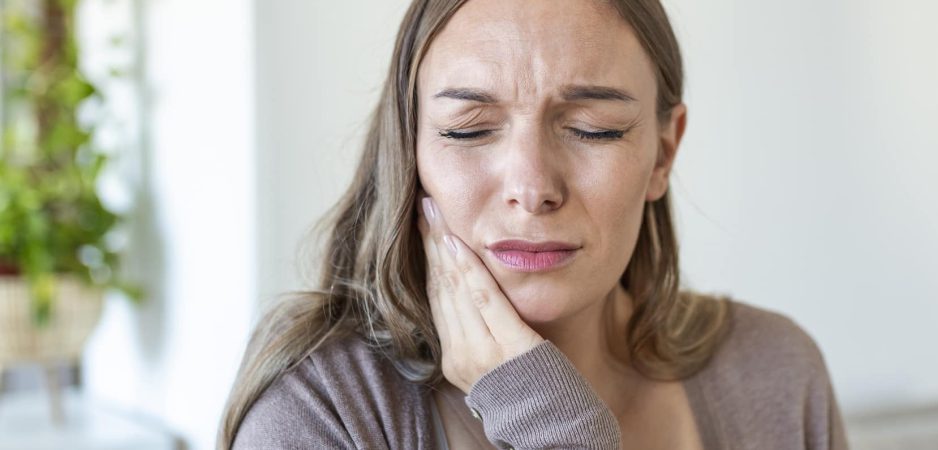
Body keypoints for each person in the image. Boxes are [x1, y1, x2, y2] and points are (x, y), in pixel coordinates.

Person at [219, 0, 847, 448]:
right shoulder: (323, 411)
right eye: (468, 131)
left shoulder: (775, 371)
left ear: (663, 152)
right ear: (408, 153)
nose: (532, 187)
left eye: (591, 129)